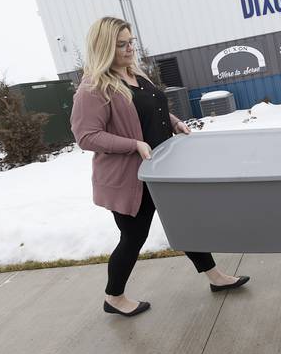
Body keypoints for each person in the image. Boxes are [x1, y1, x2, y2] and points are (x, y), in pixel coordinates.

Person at [71, 17, 249, 318]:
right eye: (122, 44)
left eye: (131, 42)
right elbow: (86, 136)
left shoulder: (135, 75)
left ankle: (215, 277)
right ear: (104, 47)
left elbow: (153, 109)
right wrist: (133, 145)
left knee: (186, 223)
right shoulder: (93, 88)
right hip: (132, 179)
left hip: (163, 170)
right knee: (133, 237)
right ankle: (114, 297)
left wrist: (176, 123)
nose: (130, 49)